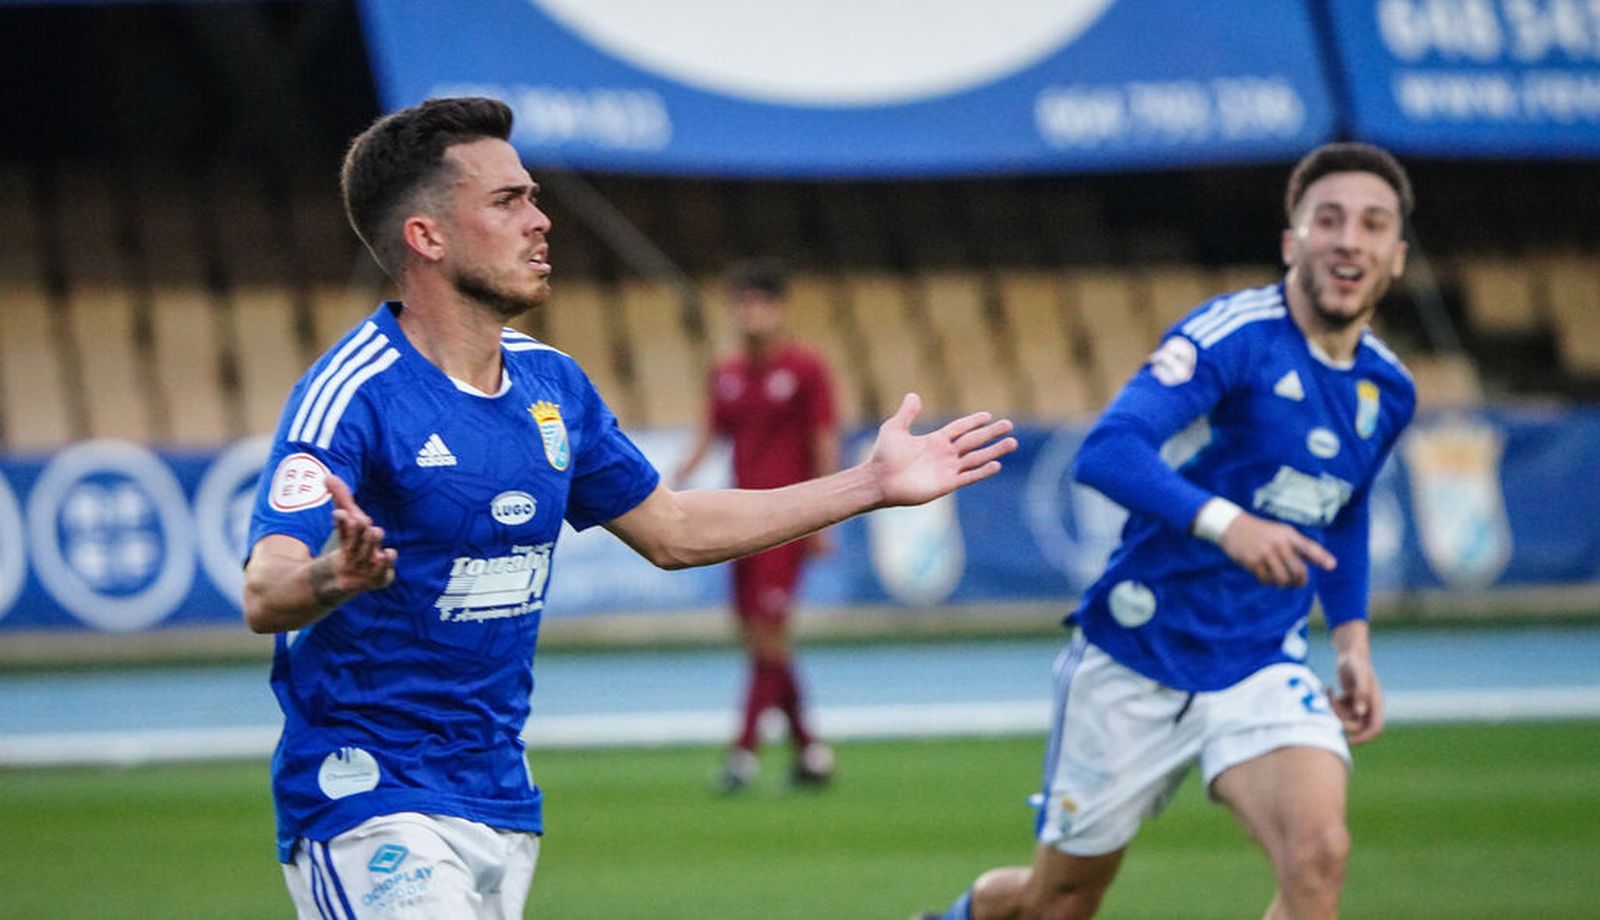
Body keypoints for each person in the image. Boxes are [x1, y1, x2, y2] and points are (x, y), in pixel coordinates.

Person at [240, 96, 1016, 919]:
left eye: (534, 197)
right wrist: (332, 576)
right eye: (507, 201)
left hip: (499, 795)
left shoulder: (553, 385)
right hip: (366, 796)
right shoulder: (352, 394)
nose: (540, 220)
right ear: (426, 237)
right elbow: (264, 589)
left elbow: (673, 530)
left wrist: (869, 486)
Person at [920, 142, 1417, 920]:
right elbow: (1109, 450)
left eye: (1373, 224)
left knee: (1318, 854)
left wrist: (1352, 644)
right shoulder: (1234, 336)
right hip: (1139, 650)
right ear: (1292, 242)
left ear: (1397, 256)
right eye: (1329, 220)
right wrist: (1229, 526)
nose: (1349, 240)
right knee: (1060, 901)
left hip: (1261, 660)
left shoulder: (1390, 387)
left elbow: (1343, 509)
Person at [672, 258, 840, 793]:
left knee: (768, 633)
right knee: (758, 639)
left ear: (780, 308)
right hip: (737, 520)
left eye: (759, 302)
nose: (749, 313)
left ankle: (743, 752)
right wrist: (668, 485)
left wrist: (827, 516)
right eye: (741, 303)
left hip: (789, 519)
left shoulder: (806, 368)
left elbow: (823, 439)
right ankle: (810, 750)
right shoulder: (726, 373)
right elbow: (707, 435)